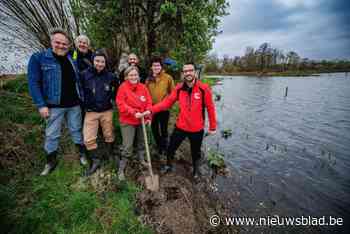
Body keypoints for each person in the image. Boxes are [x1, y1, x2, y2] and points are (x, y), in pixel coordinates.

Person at [27, 28, 87, 176]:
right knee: (52, 134)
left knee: (76, 129)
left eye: (64, 44)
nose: (61, 46)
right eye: (58, 43)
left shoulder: (70, 59)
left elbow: (77, 80)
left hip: (74, 104)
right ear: (51, 42)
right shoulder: (39, 58)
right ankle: (51, 161)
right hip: (53, 106)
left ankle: (81, 154)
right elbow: (33, 83)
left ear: (68, 45)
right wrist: (41, 105)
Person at [145, 62, 217, 178]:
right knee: (171, 148)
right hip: (181, 127)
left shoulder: (204, 89)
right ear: (183, 74)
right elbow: (166, 103)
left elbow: (210, 108)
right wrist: (151, 110)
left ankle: (195, 170)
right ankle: (168, 166)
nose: (188, 73)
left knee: (195, 152)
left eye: (190, 70)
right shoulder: (179, 88)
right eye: (185, 71)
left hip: (197, 129)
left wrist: (212, 127)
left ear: (195, 72)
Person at [80, 51, 117, 176]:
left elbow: (116, 89)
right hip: (91, 111)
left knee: (109, 133)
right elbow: (79, 90)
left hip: (107, 110)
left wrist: (112, 98)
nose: (100, 64)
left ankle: (109, 154)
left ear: (105, 63)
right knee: (88, 138)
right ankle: (96, 161)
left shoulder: (111, 76)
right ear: (93, 61)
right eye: (97, 61)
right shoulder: (84, 75)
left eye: (102, 61)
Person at [116, 66, 152, 180]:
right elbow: (120, 104)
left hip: (141, 119)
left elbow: (149, 102)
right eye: (131, 75)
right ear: (126, 76)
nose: (133, 77)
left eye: (135, 75)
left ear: (138, 76)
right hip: (128, 120)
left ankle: (142, 160)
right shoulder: (123, 87)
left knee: (142, 142)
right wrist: (133, 112)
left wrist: (148, 115)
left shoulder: (143, 87)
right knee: (128, 145)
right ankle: (121, 168)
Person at [145, 56, 175, 157]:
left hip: (164, 109)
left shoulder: (168, 78)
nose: (156, 67)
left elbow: (173, 93)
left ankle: (165, 147)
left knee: (164, 129)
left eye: (158, 65)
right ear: (151, 67)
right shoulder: (148, 79)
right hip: (152, 109)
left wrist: (168, 103)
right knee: (154, 129)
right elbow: (145, 93)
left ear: (161, 66)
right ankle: (159, 146)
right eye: (154, 65)